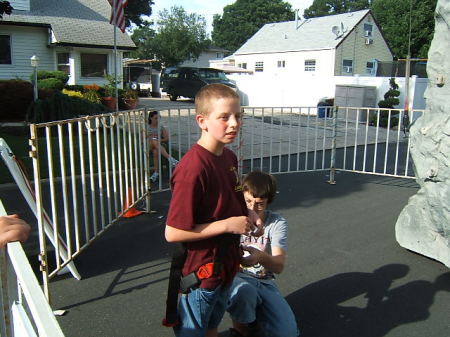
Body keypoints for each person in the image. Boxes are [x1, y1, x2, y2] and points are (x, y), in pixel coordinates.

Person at [165, 83, 262, 337]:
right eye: (224, 117)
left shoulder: (228, 157)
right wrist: (228, 225)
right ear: (202, 121)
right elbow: (173, 233)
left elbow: (233, 196)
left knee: (211, 326)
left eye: (238, 116)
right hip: (203, 273)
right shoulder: (193, 169)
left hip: (225, 267)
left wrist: (249, 214)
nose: (234, 124)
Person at [227, 171, 299, 337]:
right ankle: (241, 330)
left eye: (260, 203)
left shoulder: (276, 222)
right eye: (248, 201)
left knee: (287, 333)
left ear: (269, 202)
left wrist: (260, 257)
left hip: (264, 280)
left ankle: (255, 317)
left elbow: (279, 266)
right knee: (243, 292)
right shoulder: (233, 219)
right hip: (236, 277)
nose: (252, 208)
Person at [146, 110, 179, 182]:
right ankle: (170, 159)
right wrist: (150, 136)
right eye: (155, 118)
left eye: (159, 118)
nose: (157, 120)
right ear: (151, 118)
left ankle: (156, 173)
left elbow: (167, 138)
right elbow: (142, 140)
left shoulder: (161, 127)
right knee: (154, 140)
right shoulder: (146, 127)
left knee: (155, 152)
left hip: (157, 146)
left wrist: (159, 140)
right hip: (148, 146)